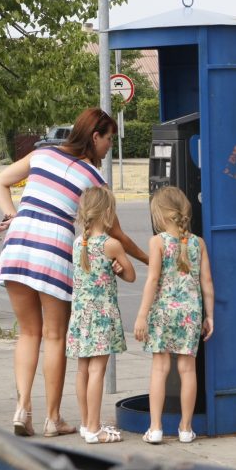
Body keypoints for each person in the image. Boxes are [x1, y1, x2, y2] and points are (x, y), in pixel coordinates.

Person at [0, 108, 147, 437]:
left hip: (18, 242)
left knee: (28, 333)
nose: (109, 147)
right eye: (109, 139)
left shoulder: (41, 154)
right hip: (54, 249)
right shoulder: (93, 178)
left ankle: (22, 408)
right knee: (54, 336)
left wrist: (12, 215)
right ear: (95, 137)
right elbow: (116, 234)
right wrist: (148, 259)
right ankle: (52, 418)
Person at [133, 186, 215, 444]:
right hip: (190, 313)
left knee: (160, 368)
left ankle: (155, 427)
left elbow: (153, 279)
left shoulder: (157, 242)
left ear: (160, 214)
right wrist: (209, 316)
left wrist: (142, 315)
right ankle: (186, 428)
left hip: (163, 311)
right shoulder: (198, 243)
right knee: (187, 370)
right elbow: (207, 283)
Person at [65, 186, 136, 444]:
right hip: (102, 317)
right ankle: (96, 429)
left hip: (81, 315)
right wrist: (118, 269)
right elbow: (131, 275)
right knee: (98, 371)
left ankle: (86, 423)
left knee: (82, 370)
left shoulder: (78, 243)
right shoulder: (111, 245)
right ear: (107, 213)